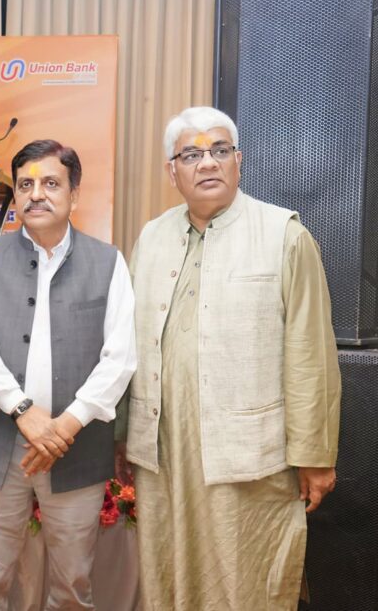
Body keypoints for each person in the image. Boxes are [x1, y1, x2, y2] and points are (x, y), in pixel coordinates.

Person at [121, 106, 341, 610]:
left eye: (220, 150)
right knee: (167, 569)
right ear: (171, 171)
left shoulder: (283, 235)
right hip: (164, 451)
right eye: (191, 155)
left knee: (247, 578)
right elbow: (126, 347)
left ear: (238, 161)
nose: (207, 163)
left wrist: (315, 454)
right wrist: (123, 436)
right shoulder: (151, 238)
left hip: (251, 455)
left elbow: (311, 354)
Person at [0, 139, 137, 610]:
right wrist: (22, 410)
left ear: (74, 194)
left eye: (51, 183)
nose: (36, 194)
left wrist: (66, 425)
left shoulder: (108, 261)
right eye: (25, 185)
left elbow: (119, 358)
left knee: (73, 586)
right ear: (15, 196)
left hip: (75, 448)